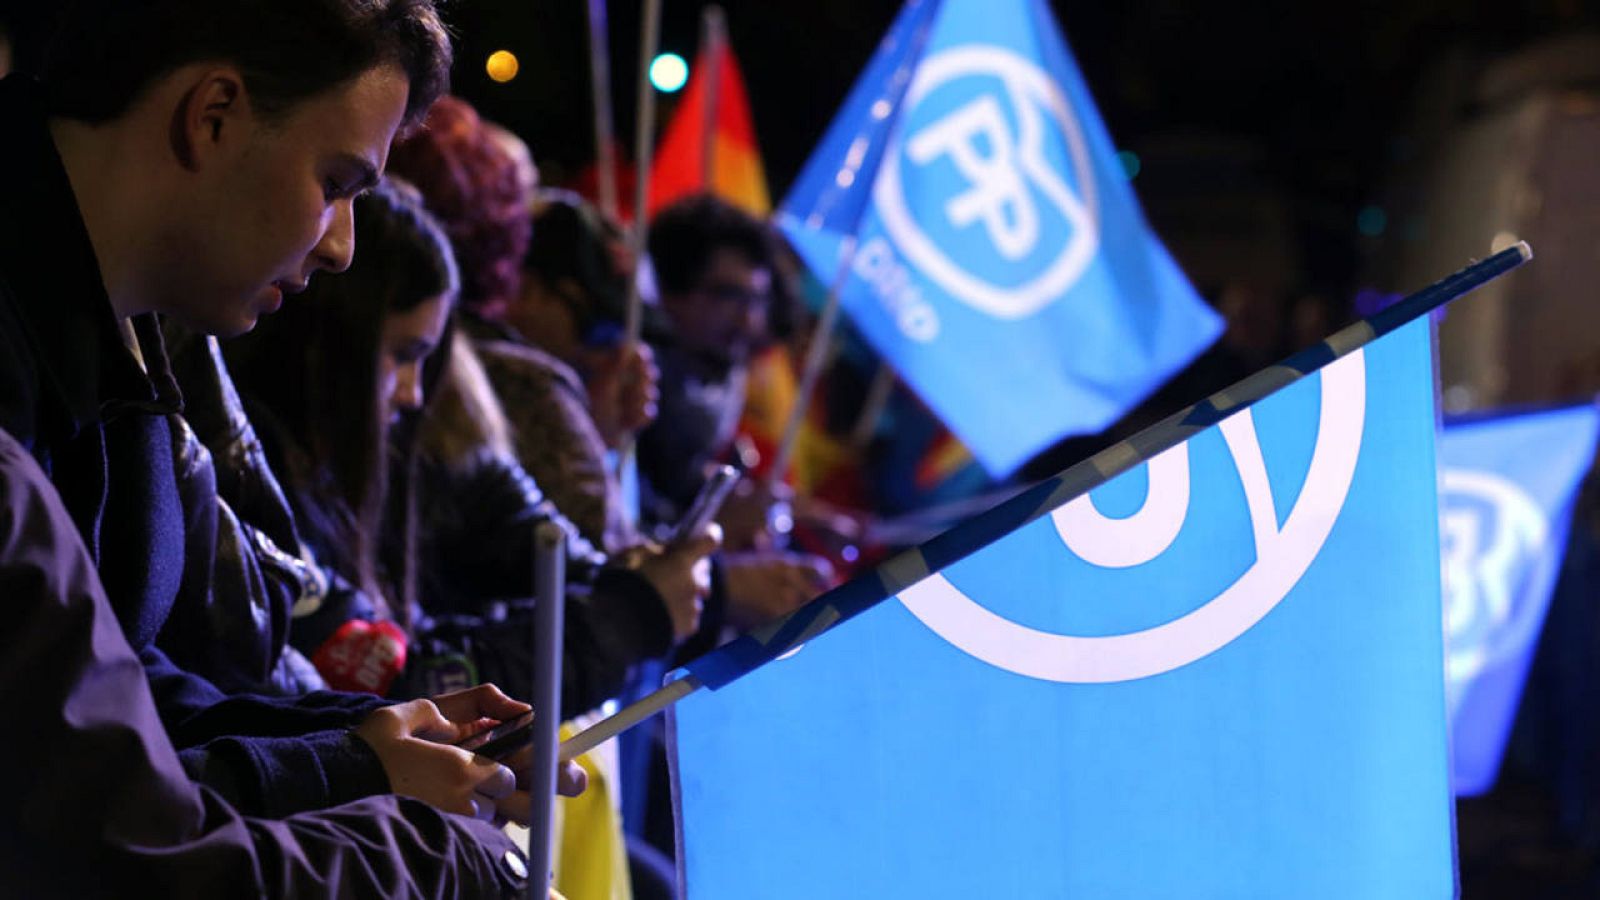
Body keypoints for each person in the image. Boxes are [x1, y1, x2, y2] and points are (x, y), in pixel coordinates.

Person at [0, 1, 537, 892]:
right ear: (211, 115)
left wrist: (363, 743)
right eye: (335, 183)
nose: (342, 247)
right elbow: (117, 852)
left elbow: (112, 700)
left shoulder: (111, 345)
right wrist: (432, 851)